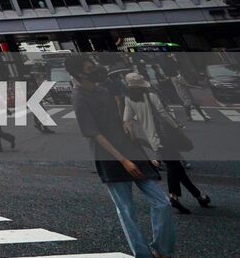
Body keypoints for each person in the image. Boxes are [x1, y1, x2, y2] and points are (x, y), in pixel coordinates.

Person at [66, 54, 175, 258]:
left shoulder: (103, 88)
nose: (95, 69)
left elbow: (119, 110)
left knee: (163, 203)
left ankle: (160, 249)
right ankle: (142, 254)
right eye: (90, 68)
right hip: (109, 158)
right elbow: (95, 134)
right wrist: (123, 160)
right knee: (126, 210)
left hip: (130, 149)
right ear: (79, 73)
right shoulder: (79, 99)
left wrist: (127, 124)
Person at [120, 72, 208, 215]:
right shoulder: (151, 96)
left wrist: (133, 136)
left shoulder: (129, 99)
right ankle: (174, 196)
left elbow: (127, 120)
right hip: (166, 136)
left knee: (177, 167)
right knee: (174, 167)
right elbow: (163, 114)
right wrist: (177, 127)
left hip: (153, 138)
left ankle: (199, 196)